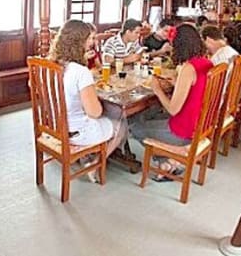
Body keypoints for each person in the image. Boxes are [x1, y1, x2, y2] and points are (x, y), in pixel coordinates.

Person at [129, 24, 213, 179]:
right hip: (201, 122)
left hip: (185, 129)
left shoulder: (188, 68)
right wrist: (177, 83)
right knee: (150, 115)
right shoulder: (206, 62)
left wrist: (157, 89)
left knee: (135, 127)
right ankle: (167, 162)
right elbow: (196, 89)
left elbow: (172, 110)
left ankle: (171, 158)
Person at [49, 20, 127, 181]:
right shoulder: (80, 71)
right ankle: (94, 163)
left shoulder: (49, 64)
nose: (93, 42)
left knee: (109, 112)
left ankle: (89, 156)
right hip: (75, 132)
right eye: (90, 38)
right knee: (122, 124)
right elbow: (95, 112)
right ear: (79, 41)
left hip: (54, 125)